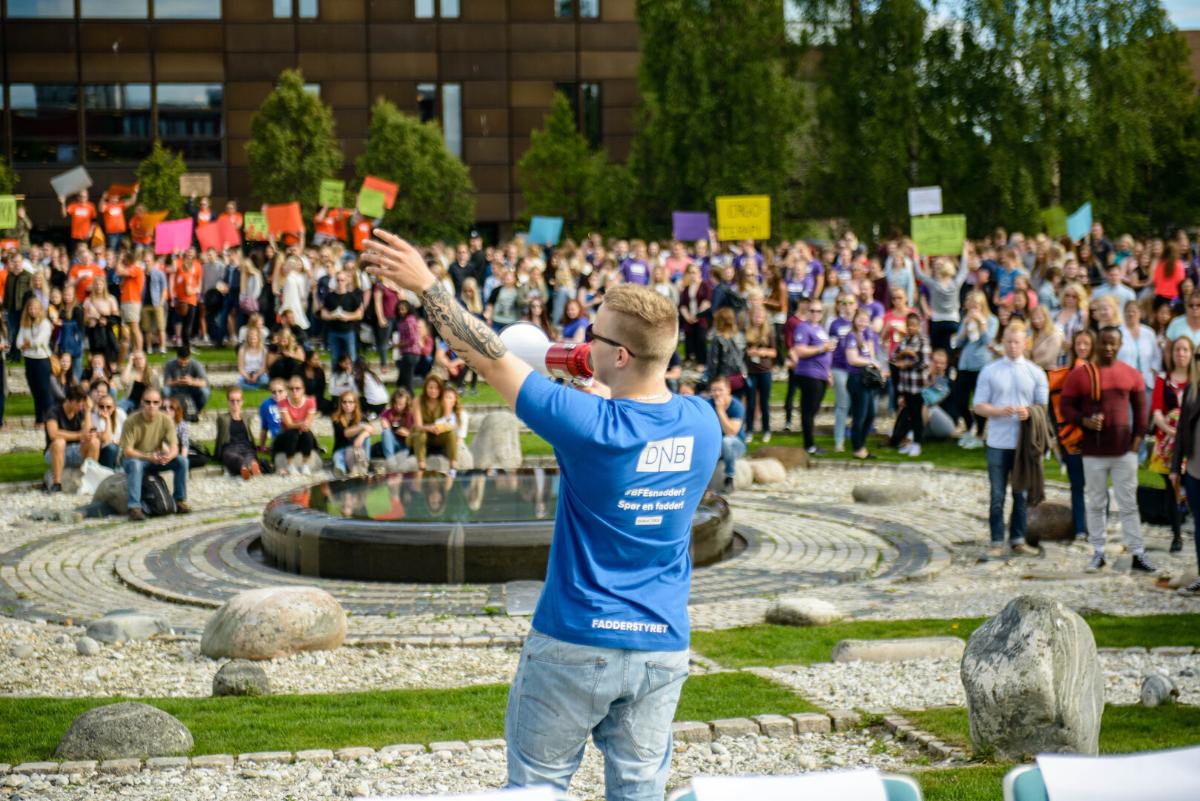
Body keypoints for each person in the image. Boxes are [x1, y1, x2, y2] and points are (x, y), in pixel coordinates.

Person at [362, 231, 720, 801]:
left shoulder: (586, 423)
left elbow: (485, 354)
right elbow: (640, 407)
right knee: (640, 793)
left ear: (620, 355)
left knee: (536, 790)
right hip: (662, 645)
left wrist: (427, 286)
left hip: (575, 639)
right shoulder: (703, 422)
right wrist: (592, 376)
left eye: (595, 334)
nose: (583, 341)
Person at [1061, 326, 1155, 574]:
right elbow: (1065, 407)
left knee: (1129, 503)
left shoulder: (1131, 374)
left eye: (1113, 343)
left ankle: (1137, 552)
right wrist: (1084, 420)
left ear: (1120, 344)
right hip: (1093, 452)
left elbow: (1142, 414)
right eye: (1104, 343)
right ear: (1096, 344)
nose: (1108, 347)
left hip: (1124, 452)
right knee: (1096, 502)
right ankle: (1098, 552)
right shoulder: (1081, 375)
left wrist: (1136, 446)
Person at [973, 322, 1048, 558]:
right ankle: (996, 540)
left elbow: (1043, 406)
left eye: (1017, 342)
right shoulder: (990, 370)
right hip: (997, 440)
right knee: (997, 495)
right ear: (1002, 342)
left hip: (1022, 443)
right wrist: (997, 411)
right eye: (1008, 341)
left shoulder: (1035, 372)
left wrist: (1030, 412)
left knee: (1021, 494)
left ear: (1026, 343)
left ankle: (1017, 538)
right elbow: (978, 406)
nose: (1013, 346)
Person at [1150, 336, 1192, 554]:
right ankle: (1176, 534)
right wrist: (1169, 430)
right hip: (1167, 442)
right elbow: (1156, 410)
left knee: (1193, 486)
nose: (1181, 354)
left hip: (1192, 443)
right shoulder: (1163, 379)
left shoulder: (1196, 380)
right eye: (1177, 350)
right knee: (1171, 488)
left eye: (1185, 350)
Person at [120, 388, 189, 520]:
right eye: (148, 402)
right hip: (135, 459)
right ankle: (134, 507)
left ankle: (179, 500)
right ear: (142, 402)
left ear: (160, 403)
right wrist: (148, 457)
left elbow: (175, 447)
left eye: (155, 402)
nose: (151, 405)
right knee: (135, 464)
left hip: (155, 459)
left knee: (182, 461)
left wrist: (169, 456)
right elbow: (127, 451)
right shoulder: (131, 421)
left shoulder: (166, 420)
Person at [1168, 359, 1200, 595]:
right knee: (1199, 526)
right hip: (1195, 470)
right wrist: (1174, 466)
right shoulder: (1191, 390)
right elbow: (1181, 432)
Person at [952, 290, 998, 449]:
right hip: (965, 364)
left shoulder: (992, 320)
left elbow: (988, 342)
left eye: (976, 305)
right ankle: (969, 425)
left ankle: (979, 433)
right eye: (971, 306)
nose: (973, 309)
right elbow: (957, 343)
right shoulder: (966, 319)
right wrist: (965, 327)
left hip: (981, 364)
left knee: (980, 401)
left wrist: (982, 324)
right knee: (959, 399)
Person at [845, 307, 885, 460]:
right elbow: (853, 359)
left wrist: (876, 366)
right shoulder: (851, 336)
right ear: (854, 320)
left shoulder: (867, 335)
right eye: (860, 319)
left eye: (865, 320)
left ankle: (861, 445)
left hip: (868, 379)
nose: (862, 323)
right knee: (860, 415)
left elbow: (873, 357)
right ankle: (857, 448)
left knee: (870, 414)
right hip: (857, 379)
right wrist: (871, 361)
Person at [890, 312, 931, 456]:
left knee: (917, 414)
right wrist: (903, 355)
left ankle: (917, 443)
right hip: (905, 384)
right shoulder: (904, 340)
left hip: (917, 385)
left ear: (919, 326)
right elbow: (894, 356)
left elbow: (924, 363)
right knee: (910, 415)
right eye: (909, 326)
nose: (911, 328)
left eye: (914, 325)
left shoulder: (923, 341)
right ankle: (910, 442)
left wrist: (908, 361)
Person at [44, 385, 98, 493]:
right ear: (69, 401)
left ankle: (90, 481)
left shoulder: (81, 412)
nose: (81, 407)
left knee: (94, 442)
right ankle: (57, 483)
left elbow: (88, 433)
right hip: (54, 452)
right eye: (78, 403)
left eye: (83, 403)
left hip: (76, 450)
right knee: (59, 442)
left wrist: (88, 411)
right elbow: (53, 434)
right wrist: (78, 435)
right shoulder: (54, 412)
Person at [409, 373, 459, 471]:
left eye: (436, 388)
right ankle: (422, 465)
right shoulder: (418, 401)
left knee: (451, 434)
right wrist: (430, 428)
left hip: (437, 433)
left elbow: (449, 422)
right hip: (421, 433)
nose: (433, 391)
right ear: (425, 388)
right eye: (430, 387)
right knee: (421, 435)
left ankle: (453, 464)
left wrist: (441, 428)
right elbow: (418, 425)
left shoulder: (444, 401)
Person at [828, 293, 858, 452]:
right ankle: (839, 441)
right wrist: (828, 370)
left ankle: (857, 439)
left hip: (858, 369)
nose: (847, 306)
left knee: (859, 404)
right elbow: (831, 348)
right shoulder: (835, 324)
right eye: (844, 303)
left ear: (856, 305)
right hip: (840, 367)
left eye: (850, 303)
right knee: (842, 404)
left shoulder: (860, 322)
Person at [742, 303, 776, 443]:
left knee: (764, 402)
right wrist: (749, 352)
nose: (758, 319)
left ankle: (766, 429)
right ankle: (749, 429)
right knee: (750, 402)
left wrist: (763, 352)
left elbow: (774, 352)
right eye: (756, 316)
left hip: (765, 371)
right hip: (751, 371)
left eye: (761, 316)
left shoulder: (769, 332)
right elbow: (742, 350)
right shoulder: (746, 331)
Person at [707, 375, 746, 493]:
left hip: (735, 445)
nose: (717, 393)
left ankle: (729, 477)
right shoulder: (708, 404)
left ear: (728, 390)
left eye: (720, 390)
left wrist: (720, 411)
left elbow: (731, 432)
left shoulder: (736, 406)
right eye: (714, 390)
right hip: (716, 445)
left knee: (727, 440)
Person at [17, 297, 54, 423]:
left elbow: (38, 342)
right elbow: (18, 342)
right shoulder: (25, 324)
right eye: (30, 308)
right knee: (35, 390)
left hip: (41, 360)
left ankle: (50, 419)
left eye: (35, 308)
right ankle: (39, 418)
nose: (33, 311)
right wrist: (28, 344)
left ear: (40, 309)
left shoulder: (45, 324)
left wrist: (28, 344)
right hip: (29, 360)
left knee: (44, 390)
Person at [274, 376, 318, 475]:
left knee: (307, 434)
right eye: (291, 388)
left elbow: (308, 423)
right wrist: (301, 424)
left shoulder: (310, 401)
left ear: (303, 389)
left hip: (302, 432)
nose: (294, 391)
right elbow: (288, 424)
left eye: (297, 388)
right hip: (286, 435)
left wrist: (303, 425)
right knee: (292, 433)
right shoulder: (283, 403)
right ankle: (290, 465)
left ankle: (305, 465)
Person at [214, 387, 261, 480]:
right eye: (232, 401)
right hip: (230, 447)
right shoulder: (223, 418)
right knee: (231, 456)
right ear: (228, 402)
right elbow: (220, 437)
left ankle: (250, 466)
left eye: (238, 401)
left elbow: (250, 436)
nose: (235, 404)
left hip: (246, 446)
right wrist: (217, 453)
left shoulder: (246, 418)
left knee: (250, 454)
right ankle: (246, 467)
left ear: (242, 402)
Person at [321, 268, 364, 367]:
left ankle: (352, 378)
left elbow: (360, 314)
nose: (340, 282)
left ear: (347, 281)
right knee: (335, 358)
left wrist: (347, 317)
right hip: (334, 331)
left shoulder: (352, 296)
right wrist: (333, 316)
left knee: (351, 357)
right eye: (338, 280)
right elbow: (323, 314)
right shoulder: (329, 296)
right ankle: (335, 379)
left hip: (348, 331)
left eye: (342, 280)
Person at [331, 391, 376, 476]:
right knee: (339, 459)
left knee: (367, 436)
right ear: (341, 404)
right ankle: (341, 474)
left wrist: (361, 436)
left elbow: (372, 429)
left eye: (350, 402)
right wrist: (361, 427)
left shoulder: (361, 416)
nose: (347, 405)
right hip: (341, 449)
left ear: (355, 404)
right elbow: (346, 433)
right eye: (344, 402)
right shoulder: (336, 418)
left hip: (356, 449)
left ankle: (365, 466)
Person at [163, 345, 210, 419]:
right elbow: (166, 382)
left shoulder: (196, 364)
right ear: (177, 357)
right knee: (165, 390)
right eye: (181, 362)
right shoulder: (170, 364)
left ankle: (197, 410)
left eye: (185, 362)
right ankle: (170, 410)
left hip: (192, 388)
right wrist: (177, 381)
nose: (183, 365)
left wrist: (192, 382)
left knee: (205, 392)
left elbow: (204, 382)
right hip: (176, 388)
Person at [378, 387, 415, 469]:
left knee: (403, 462)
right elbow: (382, 419)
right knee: (386, 432)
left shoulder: (411, 414)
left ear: (406, 403)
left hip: (405, 444)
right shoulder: (389, 412)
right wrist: (385, 423)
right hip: (392, 443)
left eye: (401, 404)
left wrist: (408, 434)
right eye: (396, 403)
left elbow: (417, 434)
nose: (398, 406)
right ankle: (390, 462)